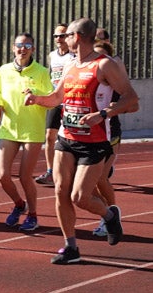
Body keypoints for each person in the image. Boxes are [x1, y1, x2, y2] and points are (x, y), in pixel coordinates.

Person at [24, 18, 139, 263]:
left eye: (67, 35)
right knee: (60, 193)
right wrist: (36, 99)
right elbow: (56, 98)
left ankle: (109, 216)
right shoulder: (70, 66)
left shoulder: (104, 65)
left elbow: (132, 99)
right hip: (67, 138)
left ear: (77, 37)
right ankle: (71, 247)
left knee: (80, 197)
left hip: (95, 142)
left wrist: (103, 114)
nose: (63, 39)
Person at [0, 33, 52, 232]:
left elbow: (51, 97)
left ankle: (33, 215)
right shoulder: (4, 70)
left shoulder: (41, 72)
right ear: (13, 47)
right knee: (2, 175)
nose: (22, 48)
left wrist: (36, 97)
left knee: (25, 177)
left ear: (33, 49)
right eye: (19, 45)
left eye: (27, 45)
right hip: (8, 128)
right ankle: (19, 204)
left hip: (31, 130)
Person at [90, 37, 125, 238]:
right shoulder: (83, 76)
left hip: (109, 133)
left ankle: (110, 217)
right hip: (86, 136)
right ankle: (107, 214)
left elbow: (129, 102)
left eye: (102, 56)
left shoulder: (114, 79)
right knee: (83, 185)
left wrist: (107, 112)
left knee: (101, 178)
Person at [35, 24, 74, 187]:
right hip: (55, 101)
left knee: (71, 138)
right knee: (50, 136)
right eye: (56, 36)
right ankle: (51, 171)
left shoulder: (74, 56)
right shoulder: (52, 56)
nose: (59, 39)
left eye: (62, 35)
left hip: (70, 102)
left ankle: (73, 171)